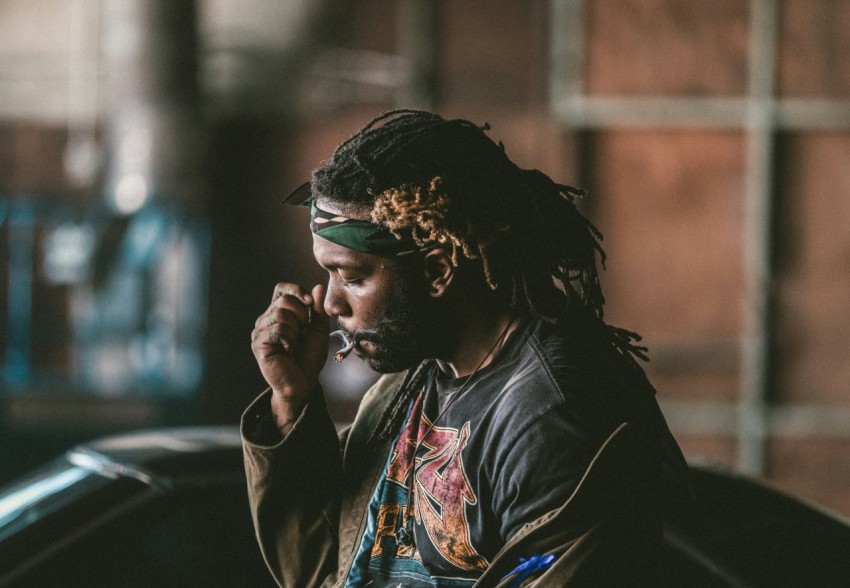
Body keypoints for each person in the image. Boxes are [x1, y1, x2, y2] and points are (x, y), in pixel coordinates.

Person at [242, 110, 688, 587]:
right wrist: (291, 400)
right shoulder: (408, 385)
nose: (329, 303)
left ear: (437, 272)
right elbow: (321, 576)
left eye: (352, 277)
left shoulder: (552, 416)